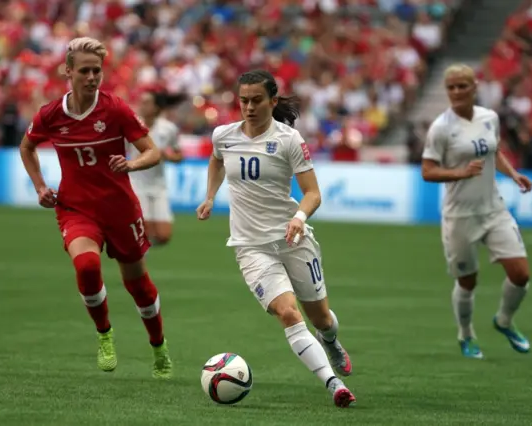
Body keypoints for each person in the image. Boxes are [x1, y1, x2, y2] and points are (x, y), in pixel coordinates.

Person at [196, 69, 356, 408]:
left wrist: (299, 217)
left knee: (321, 319)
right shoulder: (223, 135)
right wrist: (210, 196)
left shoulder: (289, 140)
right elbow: (216, 160)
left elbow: (312, 193)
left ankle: (330, 340)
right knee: (288, 313)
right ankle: (333, 384)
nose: (249, 107)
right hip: (250, 247)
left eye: (256, 100)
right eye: (243, 101)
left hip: (292, 239)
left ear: (273, 100)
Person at [19, 37, 173, 378]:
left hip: (120, 209)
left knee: (139, 286)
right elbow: (27, 147)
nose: (92, 77)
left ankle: (158, 346)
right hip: (76, 208)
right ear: (68, 72)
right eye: (85, 71)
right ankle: (105, 335)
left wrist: (131, 165)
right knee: (87, 266)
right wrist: (41, 186)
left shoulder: (115, 109)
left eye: (97, 71)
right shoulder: (51, 114)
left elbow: (152, 151)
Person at [421, 63, 532, 359]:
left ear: (474, 88)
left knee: (521, 274)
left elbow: (493, 150)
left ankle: (504, 320)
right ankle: (466, 335)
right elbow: (427, 171)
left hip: (493, 209)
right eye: (451, 87)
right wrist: (460, 173)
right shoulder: (441, 128)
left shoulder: (489, 118)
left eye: (462, 86)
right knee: (468, 281)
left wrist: (513, 174)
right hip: (460, 215)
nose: (457, 92)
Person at [128, 90, 186, 245]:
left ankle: (135, 244)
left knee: (163, 236)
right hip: (136, 183)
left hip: (159, 185)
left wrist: (167, 157)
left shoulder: (168, 128)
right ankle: (138, 258)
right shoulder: (132, 125)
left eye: (147, 103)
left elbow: (179, 155)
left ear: (156, 108)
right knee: (143, 230)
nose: (142, 105)